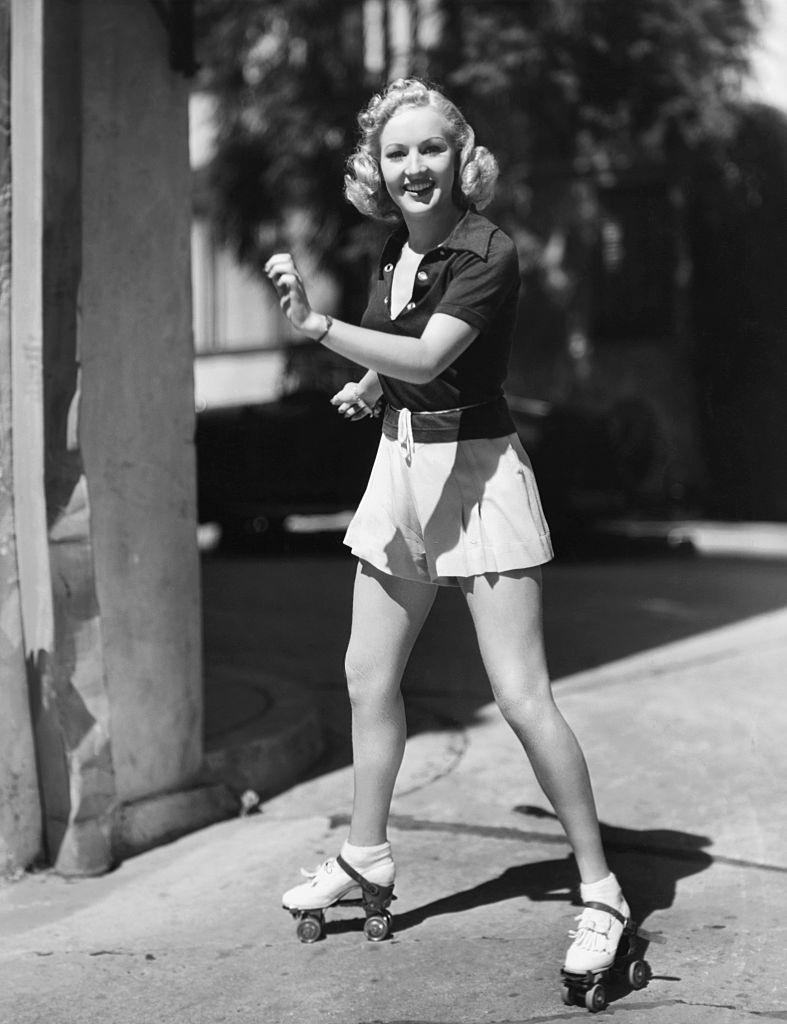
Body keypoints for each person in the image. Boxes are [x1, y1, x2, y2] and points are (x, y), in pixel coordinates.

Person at [266, 78, 630, 976]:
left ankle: (600, 891)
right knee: (367, 676)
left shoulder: (487, 250)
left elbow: (434, 352)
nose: (414, 166)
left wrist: (319, 330)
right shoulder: (395, 252)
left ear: (463, 161)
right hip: (401, 470)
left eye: (431, 148)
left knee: (519, 695)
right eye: (397, 153)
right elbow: (405, 359)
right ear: (375, 171)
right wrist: (368, 384)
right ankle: (366, 853)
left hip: (477, 474)